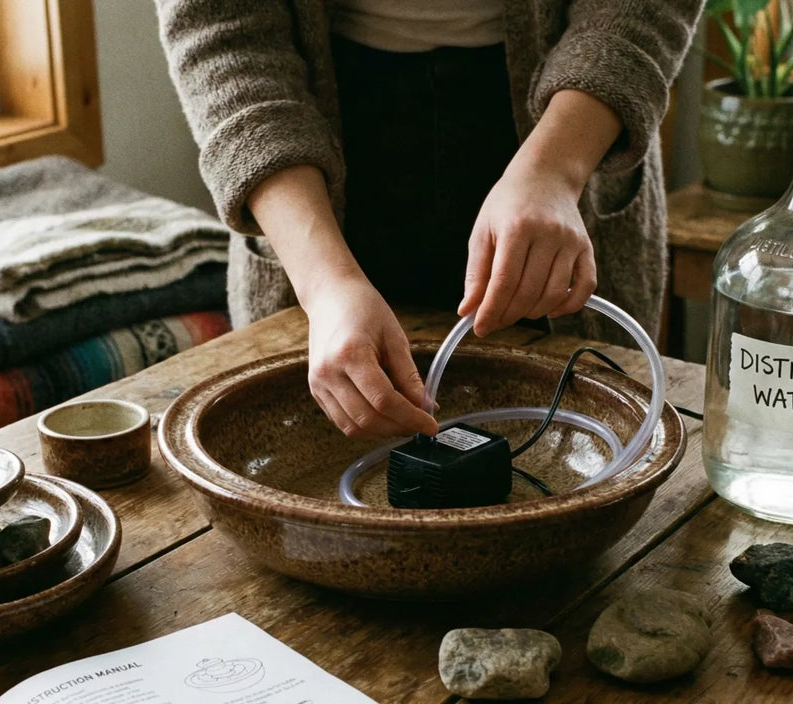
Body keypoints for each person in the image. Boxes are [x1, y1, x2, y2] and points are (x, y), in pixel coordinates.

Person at [157, 0, 701, 438]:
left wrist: (555, 169)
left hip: (566, 121)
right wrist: (326, 285)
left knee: (589, 439)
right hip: (316, 161)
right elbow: (223, 35)